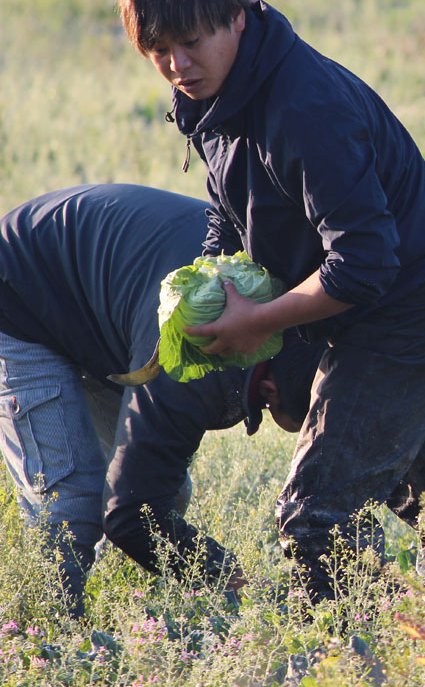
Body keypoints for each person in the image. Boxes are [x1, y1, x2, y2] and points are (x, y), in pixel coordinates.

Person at [116, 0, 425, 602]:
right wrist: (212, 290)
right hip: (363, 319)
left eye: (190, 42)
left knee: (314, 518)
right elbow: (227, 220)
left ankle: (341, 660)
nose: (177, 65)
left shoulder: (303, 107)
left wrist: (258, 320)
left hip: (418, 314)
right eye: (158, 53)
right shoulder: (215, 100)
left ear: (236, 16)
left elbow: (365, 261)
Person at [0, 184, 321, 617]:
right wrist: (229, 577)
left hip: (101, 307)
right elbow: (131, 512)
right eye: (283, 418)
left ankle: (127, 611)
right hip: (19, 294)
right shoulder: (193, 354)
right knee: (71, 503)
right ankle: (51, 641)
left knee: (164, 494)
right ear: (269, 389)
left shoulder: (300, 318)